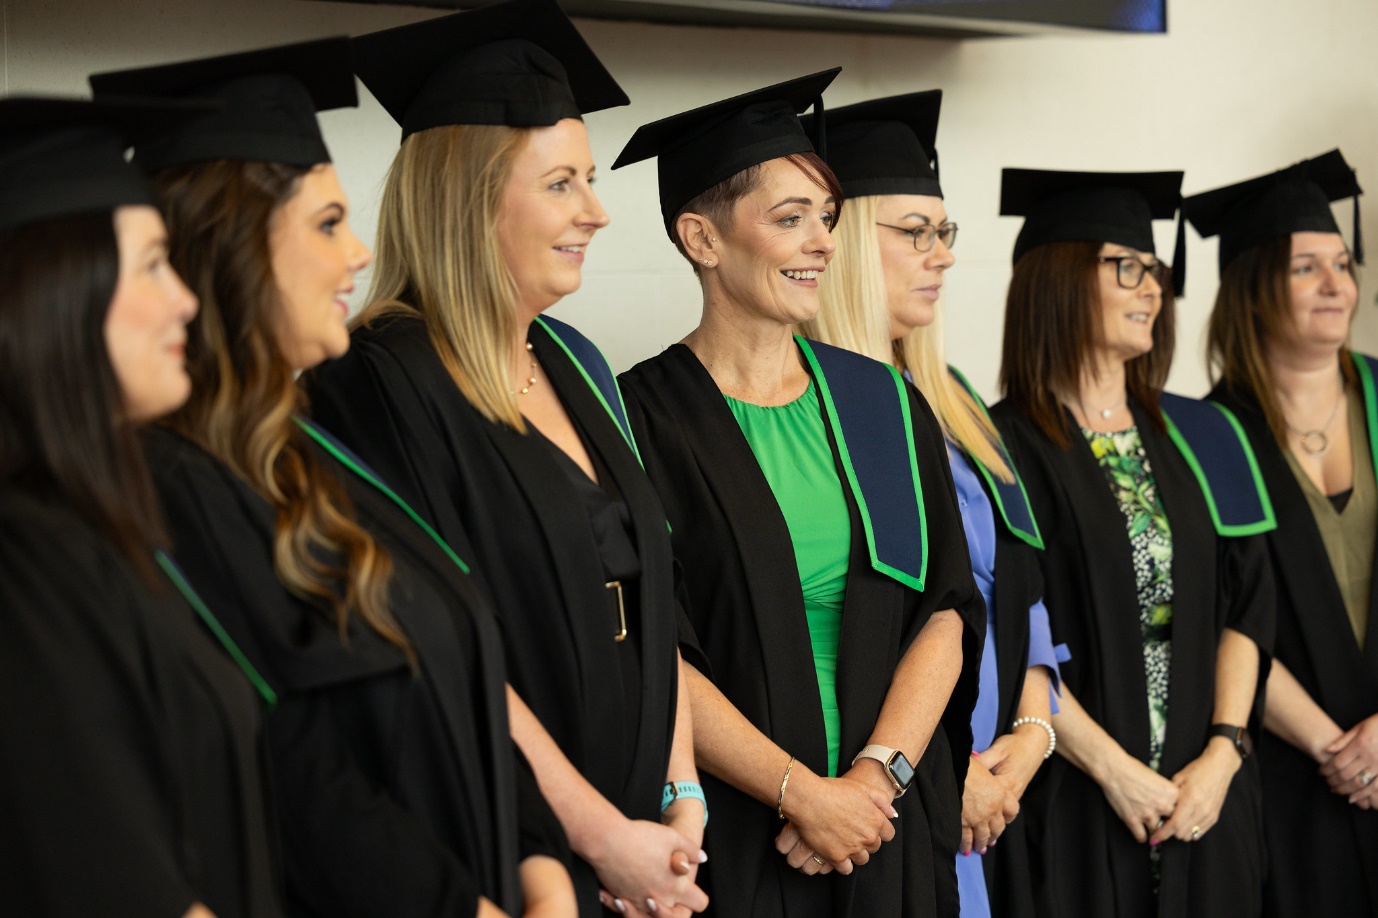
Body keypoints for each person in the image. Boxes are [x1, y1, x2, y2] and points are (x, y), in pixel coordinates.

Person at [90, 38, 575, 918]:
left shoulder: (313, 452)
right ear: (233, 253)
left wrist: (542, 868)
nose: (358, 253)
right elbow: (293, 770)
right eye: (326, 224)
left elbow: (457, 678)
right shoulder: (168, 487)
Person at [302, 3, 706, 915]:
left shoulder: (571, 359)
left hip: (649, 838)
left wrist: (682, 799)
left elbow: (654, 597)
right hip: (512, 853)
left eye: (591, 180)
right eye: (562, 183)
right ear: (470, 193)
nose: (598, 214)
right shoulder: (374, 386)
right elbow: (434, 644)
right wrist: (601, 839)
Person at [613, 71, 985, 917]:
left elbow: (944, 609)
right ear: (701, 238)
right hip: (741, 833)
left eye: (826, 217)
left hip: (885, 821)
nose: (821, 241)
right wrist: (802, 797)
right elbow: (655, 647)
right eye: (790, 219)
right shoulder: (637, 418)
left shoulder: (879, 400)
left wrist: (869, 781)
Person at [0, 96, 282, 918]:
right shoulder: (25, 571)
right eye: (154, 264)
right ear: (59, 291)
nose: (187, 302)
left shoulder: (94, 530)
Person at [799, 91, 1063, 918]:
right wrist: (949, 772)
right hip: (896, 799)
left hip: (996, 793)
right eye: (913, 232)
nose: (941, 255)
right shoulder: (806, 404)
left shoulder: (955, 404)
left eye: (944, 233)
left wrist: (1026, 744)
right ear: (836, 242)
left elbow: (1024, 600)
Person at [989, 169, 1275, 918]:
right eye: (1127, 267)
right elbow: (1015, 635)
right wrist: (1112, 770)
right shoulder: (995, 447)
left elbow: (1249, 605)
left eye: (1156, 271)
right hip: (1076, 803)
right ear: (1055, 277)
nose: (1151, 288)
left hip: (1206, 802)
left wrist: (1223, 752)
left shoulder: (1207, 432)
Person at [1186, 149, 1378, 916]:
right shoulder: (1208, 434)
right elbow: (1221, 616)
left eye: (1342, 264)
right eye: (1307, 269)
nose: (1337, 287)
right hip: (1291, 772)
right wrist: (1340, 750)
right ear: (1254, 285)